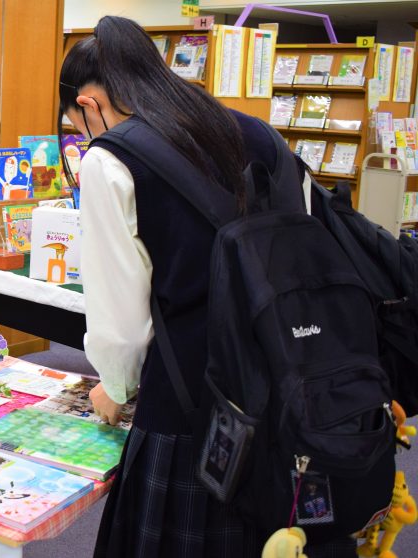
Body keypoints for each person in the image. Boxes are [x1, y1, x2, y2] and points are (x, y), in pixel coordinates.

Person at [57, 15, 353, 558]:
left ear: (90, 103)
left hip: (192, 402)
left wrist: (115, 389)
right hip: (288, 381)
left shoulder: (110, 158)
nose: (83, 137)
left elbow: (120, 324)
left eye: (76, 125)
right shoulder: (249, 128)